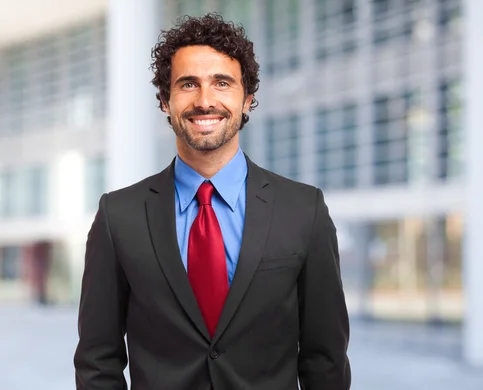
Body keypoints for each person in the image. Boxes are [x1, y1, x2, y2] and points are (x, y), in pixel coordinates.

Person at [74, 13, 351, 390]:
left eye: (222, 83)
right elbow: (96, 361)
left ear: (247, 100)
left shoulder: (305, 210)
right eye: (188, 84)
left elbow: (326, 360)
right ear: (164, 102)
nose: (205, 101)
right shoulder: (117, 216)